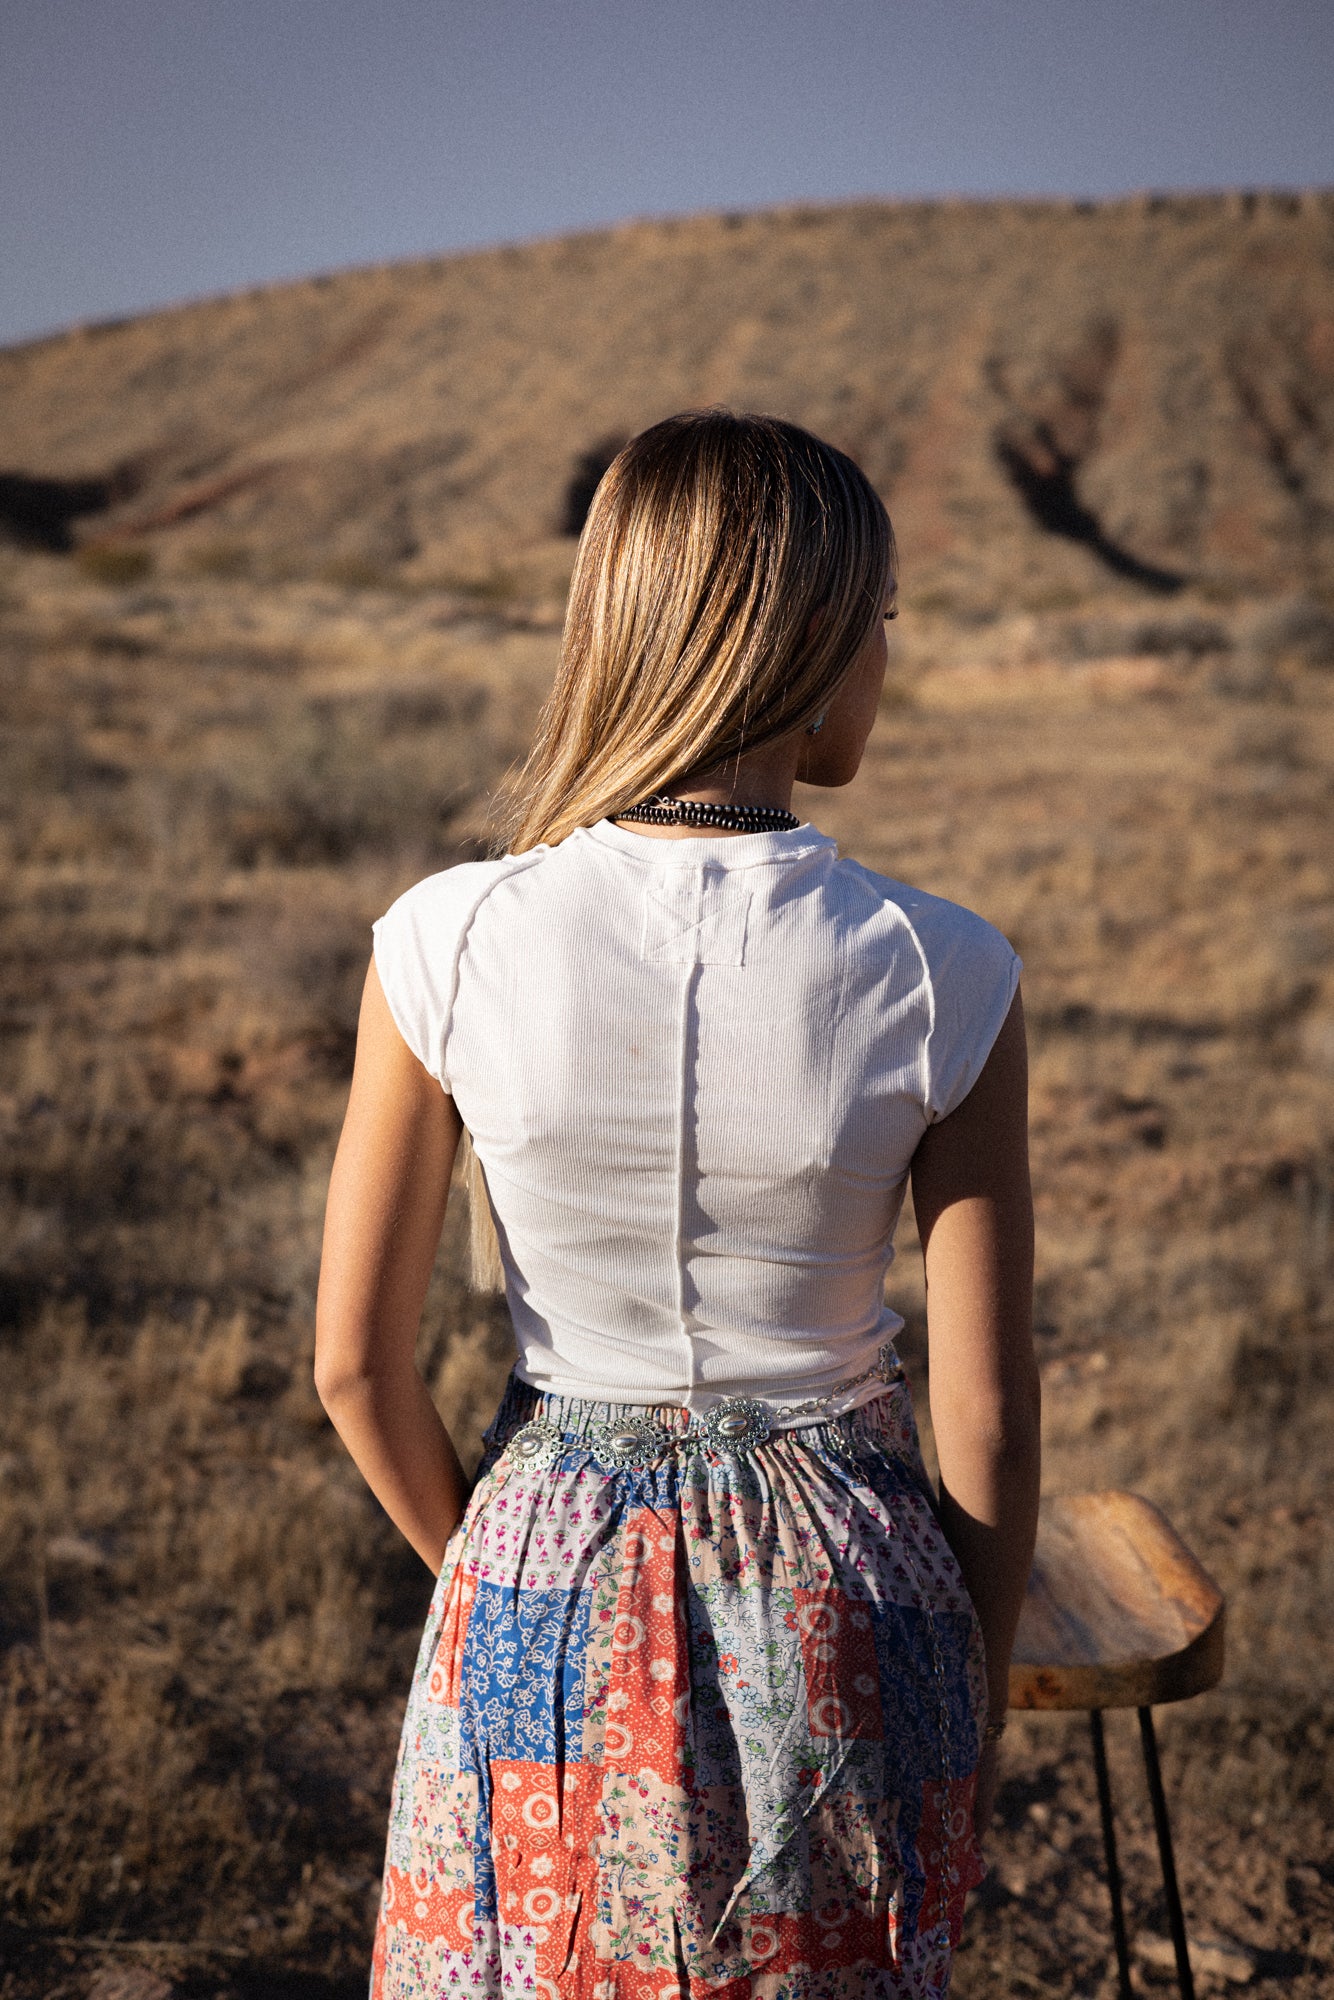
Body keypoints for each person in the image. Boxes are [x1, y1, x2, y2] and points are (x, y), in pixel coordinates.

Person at [316, 410, 1039, 2000]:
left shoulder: (445, 938)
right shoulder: (942, 965)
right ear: (814, 637)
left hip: (540, 1568)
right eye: (884, 626)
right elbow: (983, 1412)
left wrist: (502, 1565)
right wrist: (964, 1710)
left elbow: (355, 1371)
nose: (885, 666)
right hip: (849, 1594)